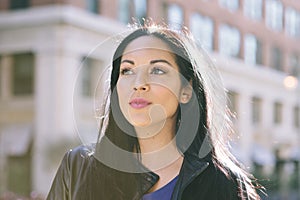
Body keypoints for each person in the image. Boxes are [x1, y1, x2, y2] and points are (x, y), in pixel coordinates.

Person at [47, 22, 263, 200]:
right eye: (127, 70)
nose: (139, 83)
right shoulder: (78, 167)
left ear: (185, 91)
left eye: (157, 70)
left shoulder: (222, 183)